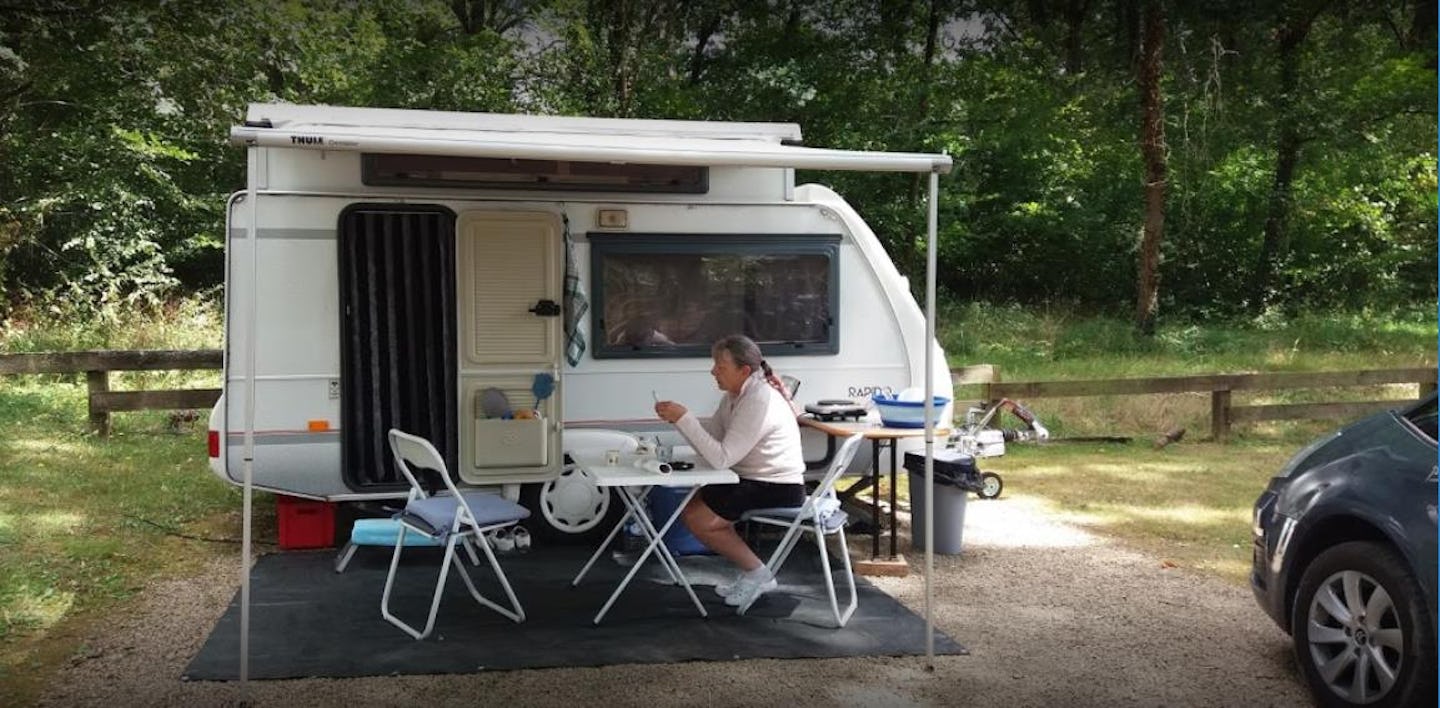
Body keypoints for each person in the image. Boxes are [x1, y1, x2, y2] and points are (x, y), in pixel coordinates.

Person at [653, 334, 805, 608]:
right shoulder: (736, 395)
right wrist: (680, 421)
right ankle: (753, 573)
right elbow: (712, 438)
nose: (713, 371)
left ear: (744, 370)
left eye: (720, 367)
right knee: (691, 509)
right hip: (751, 477)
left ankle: (759, 574)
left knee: (699, 518)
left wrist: (684, 419)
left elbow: (721, 458)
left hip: (777, 485)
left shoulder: (758, 399)